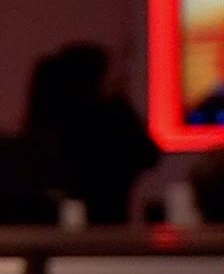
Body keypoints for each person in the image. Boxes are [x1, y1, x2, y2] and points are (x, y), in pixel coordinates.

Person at [24, 42, 161, 224]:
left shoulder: (52, 123)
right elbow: (149, 155)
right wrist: (122, 104)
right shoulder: (111, 123)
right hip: (108, 229)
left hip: (58, 232)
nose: (122, 76)